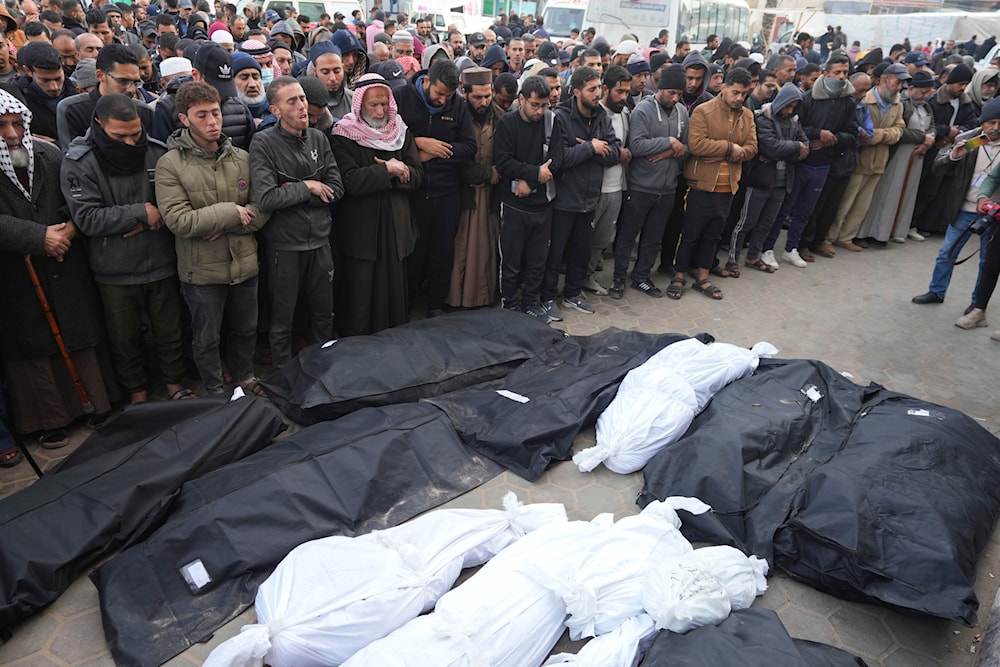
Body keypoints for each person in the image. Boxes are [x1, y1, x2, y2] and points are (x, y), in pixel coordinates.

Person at [0, 88, 113, 447]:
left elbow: (78, 195)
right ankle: (49, 418)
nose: (13, 135)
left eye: (18, 124)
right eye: (1, 127)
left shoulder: (49, 154)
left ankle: (96, 403)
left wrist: (68, 228)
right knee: (32, 344)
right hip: (16, 273)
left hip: (65, 263)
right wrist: (37, 237)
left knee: (78, 332)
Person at [62, 92, 190, 404]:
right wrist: (139, 214)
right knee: (124, 338)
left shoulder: (156, 153)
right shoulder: (80, 162)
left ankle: (175, 384)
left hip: (161, 260)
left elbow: (173, 204)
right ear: (99, 125)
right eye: (121, 136)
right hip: (114, 269)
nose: (131, 143)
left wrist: (141, 216)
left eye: (136, 134)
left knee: (170, 330)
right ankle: (137, 394)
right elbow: (87, 219)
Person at [156, 81, 268, 395]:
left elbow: (262, 209)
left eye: (215, 113)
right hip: (201, 272)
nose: (212, 122)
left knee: (246, 328)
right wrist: (233, 212)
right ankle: (215, 388)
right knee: (207, 337)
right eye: (201, 115)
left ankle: (245, 375)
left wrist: (229, 222)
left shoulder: (242, 158)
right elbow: (178, 219)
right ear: (184, 119)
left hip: (244, 262)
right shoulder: (170, 165)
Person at [249, 76, 343, 366]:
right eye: (293, 101)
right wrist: (310, 187)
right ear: (275, 110)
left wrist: (295, 189)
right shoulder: (263, 143)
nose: (303, 106)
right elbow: (266, 199)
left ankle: (324, 368)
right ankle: (281, 373)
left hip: (320, 242)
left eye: (302, 98)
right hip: (285, 247)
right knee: (283, 318)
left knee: (324, 313)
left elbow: (336, 189)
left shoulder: (318, 137)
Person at [330, 73, 422, 336]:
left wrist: (397, 172)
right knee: (361, 300)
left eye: (385, 104)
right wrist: (387, 172)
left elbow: (417, 176)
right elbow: (348, 181)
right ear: (359, 105)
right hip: (363, 232)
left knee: (395, 300)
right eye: (374, 105)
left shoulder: (400, 132)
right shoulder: (344, 134)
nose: (381, 111)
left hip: (396, 228)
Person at [393, 58, 476, 315]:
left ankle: (435, 305)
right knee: (412, 254)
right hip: (411, 193)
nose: (443, 101)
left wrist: (437, 151)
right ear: (426, 81)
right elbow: (388, 138)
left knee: (441, 254)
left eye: (448, 96)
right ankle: (406, 305)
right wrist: (419, 144)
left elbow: (470, 147)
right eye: (439, 94)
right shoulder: (400, 96)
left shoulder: (457, 105)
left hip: (445, 192)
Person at [670, 67, 756, 301]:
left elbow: (752, 148)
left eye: (744, 94)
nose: (739, 98)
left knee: (713, 236)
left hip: (728, 187)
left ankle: (703, 277)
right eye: (736, 92)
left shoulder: (747, 116)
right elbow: (697, 145)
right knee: (689, 234)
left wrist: (725, 152)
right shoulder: (703, 111)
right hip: (700, 185)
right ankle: (679, 275)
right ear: (724, 87)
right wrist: (730, 149)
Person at [542, 65, 620, 320]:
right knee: (555, 254)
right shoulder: (562, 117)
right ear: (576, 92)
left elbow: (615, 152)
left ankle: (573, 293)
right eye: (592, 89)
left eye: (599, 88)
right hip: (564, 199)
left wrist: (592, 151)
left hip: (590, 198)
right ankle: (548, 297)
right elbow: (559, 159)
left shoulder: (602, 117)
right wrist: (591, 148)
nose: (598, 93)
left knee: (581, 251)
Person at [911, 99, 1000, 309]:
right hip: (964, 208)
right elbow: (938, 168)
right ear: (983, 122)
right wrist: (953, 157)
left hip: (994, 215)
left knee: (987, 262)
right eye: (991, 123)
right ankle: (936, 291)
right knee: (947, 253)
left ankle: (977, 305)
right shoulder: (970, 140)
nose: (996, 128)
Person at [611, 64, 687, 300]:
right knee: (627, 236)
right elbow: (637, 145)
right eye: (671, 93)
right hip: (640, 186)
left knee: (653, 238)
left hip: (667, 189)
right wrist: (668, 142)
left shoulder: (682, 112)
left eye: (679, 94)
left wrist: (670, 149)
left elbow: (687, 147)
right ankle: (618, 278)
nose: (675, 98)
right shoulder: (643, 110)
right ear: (660, 88)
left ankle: (641, 277)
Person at [495, 74, 559, 321]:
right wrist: (533, 172)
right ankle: (510, 303)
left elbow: (557, 159)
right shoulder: (508, 124)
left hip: (542, 206)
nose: (540, 111)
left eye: (545, 105)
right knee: (511, 261)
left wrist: (531, 180)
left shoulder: (552, 122)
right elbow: (503, 161)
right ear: (521, 99)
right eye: (535, 105)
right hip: (513, 206)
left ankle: (531, 302)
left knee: (537, 261)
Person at [824, 63, 906, 253]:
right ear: (884, 80)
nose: (899, 87)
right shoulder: (865, 101)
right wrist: (882, 135)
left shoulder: (897, 104)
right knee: (844, 203)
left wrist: (882, 136)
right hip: (859, 160)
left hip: (879, 162)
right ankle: (829, 237)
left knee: (861, 206)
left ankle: (846, 237)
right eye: (897, 82)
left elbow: (900, 130)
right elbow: (860, 133)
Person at [857, 70, 936, 245]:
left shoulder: (925, 106)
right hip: (898, 155)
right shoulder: (903, 103)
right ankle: (872, 233)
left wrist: (929, 140)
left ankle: (893, 231)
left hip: (916, 156)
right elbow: (901, 132)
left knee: (905, 194)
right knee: (887, 193)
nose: (925, 96)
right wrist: (922, 138)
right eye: (922, 92)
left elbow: (932, 126)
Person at [738, 83, 808, 273]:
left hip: (782, 182)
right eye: (788, 105)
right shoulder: (763, 118)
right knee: (747, 223)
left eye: (793, 107)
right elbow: (769, 146)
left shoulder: (794, 121)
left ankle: (753, 257)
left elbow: (805, 146)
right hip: (761, 180)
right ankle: (732, 260)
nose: (789, 110)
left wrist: (786, 149)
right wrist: (794, 147)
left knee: (766, 224)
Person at [448, 67, 502, 309]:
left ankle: (483, 298)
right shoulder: (454, 117)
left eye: (487, 96)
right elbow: (452, 159)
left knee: (486, 248)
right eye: (477, 97)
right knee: (459, 248)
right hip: (462, 194)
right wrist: (487, 173)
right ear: (464, 91)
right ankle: (456, 300)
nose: (483, 102)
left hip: (491, 197)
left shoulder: (500, 117)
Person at [586, 65, 631, 298]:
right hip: (594, 188)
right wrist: (616, 155)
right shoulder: (595, 113)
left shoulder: (626, 114)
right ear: (606, 89)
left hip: (617, 187)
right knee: (585, 238)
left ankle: (588, 277)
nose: (624, 97)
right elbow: (594, 152)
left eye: (627, 92)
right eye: (619, 91)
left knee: (602, 239)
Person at [57, 42, 152, 148]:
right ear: (100, 75)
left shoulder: (144, 111)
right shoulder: (72, 110)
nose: (132, 89)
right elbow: (73, 157)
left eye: (135, 82)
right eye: (123, 81)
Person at [13, 41, 75, 142]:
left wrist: (56, 145)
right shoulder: (15, 99)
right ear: (28, 71)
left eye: (58, 79)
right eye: (45, 80)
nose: (54, 87)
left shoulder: (77, 92)